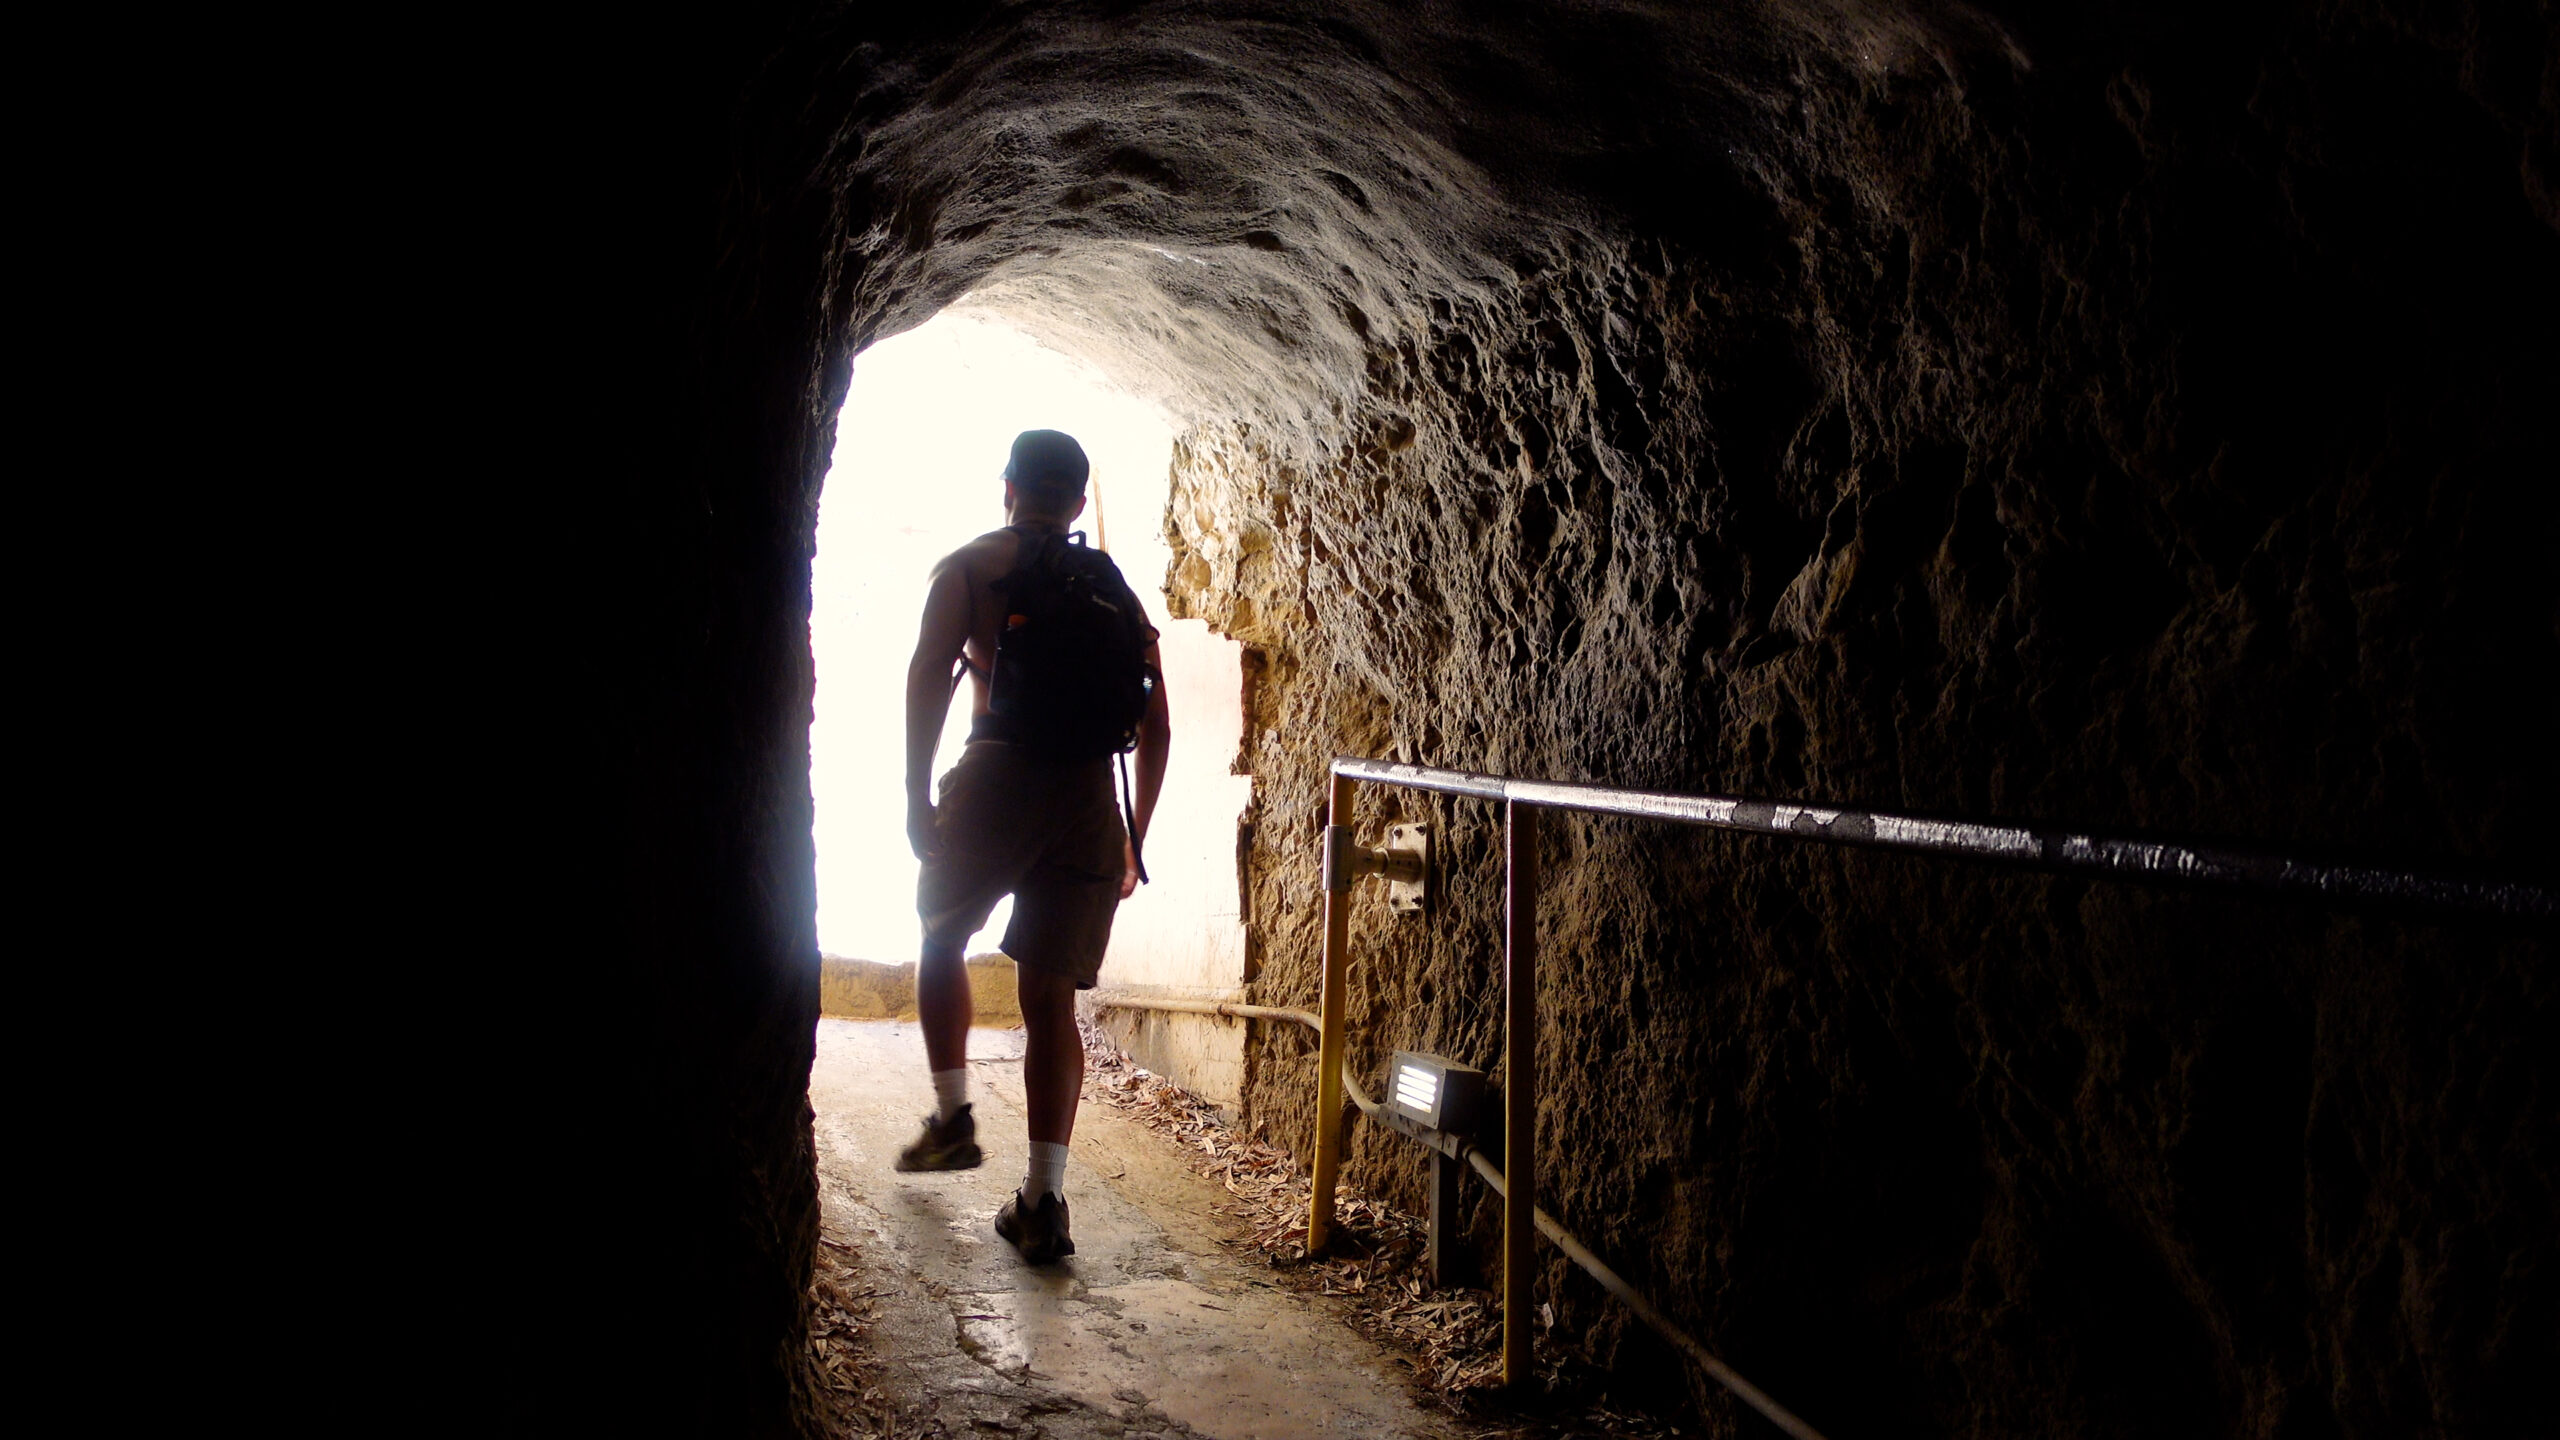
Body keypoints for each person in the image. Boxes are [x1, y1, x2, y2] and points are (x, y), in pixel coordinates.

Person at [893, 428, 1172, 1264]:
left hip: (998, 777)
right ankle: (1045, 1198)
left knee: (942, 935)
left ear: (1008, 487)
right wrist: (1133, 835)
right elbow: (1156, 725)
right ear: (1079, 503)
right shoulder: (1116, 593)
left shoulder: (974, 566)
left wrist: (914, 795)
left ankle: (951, 1120)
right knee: (1052, 1002)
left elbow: (927, 675)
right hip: (1089, 798)